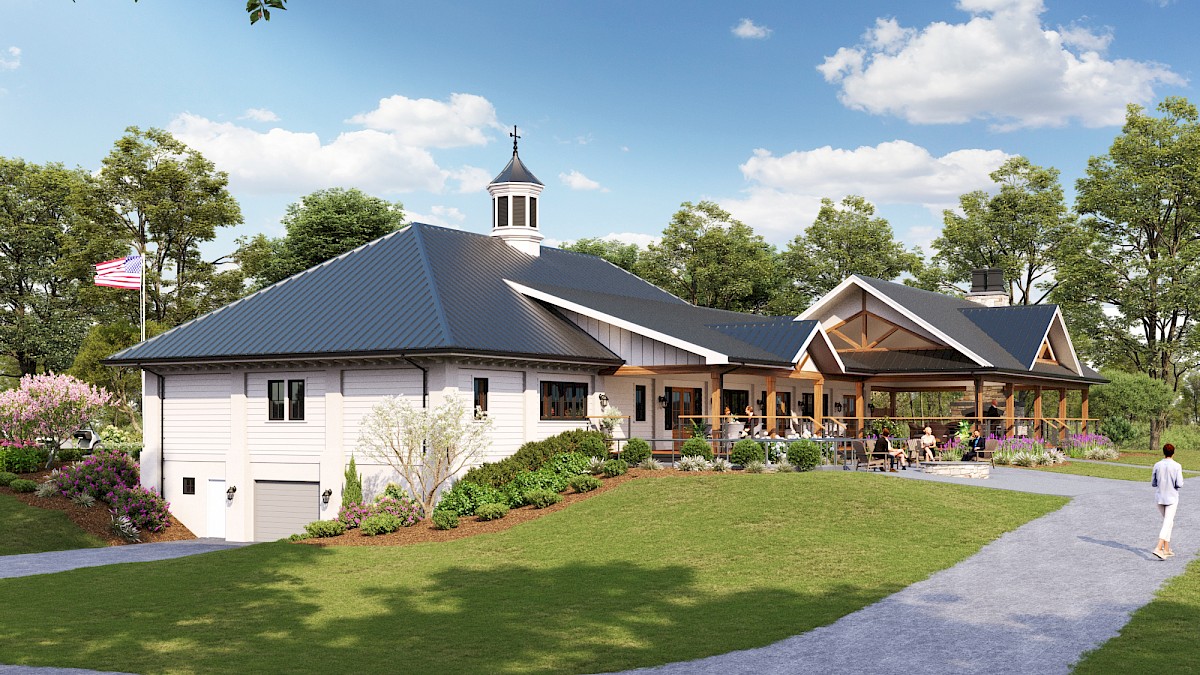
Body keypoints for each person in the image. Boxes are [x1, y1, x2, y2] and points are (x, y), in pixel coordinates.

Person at [1152, 443, 1184, 560]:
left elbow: (1153, 483)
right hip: (1172, 498)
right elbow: (1179, 484)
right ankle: (1158, 548)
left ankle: (1166, 549)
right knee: (1167, 523)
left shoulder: (1157, 465)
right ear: (1173, 453)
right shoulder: (1177, 466)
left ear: (1163, 452)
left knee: (1168, 522)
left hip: (1159, 498)